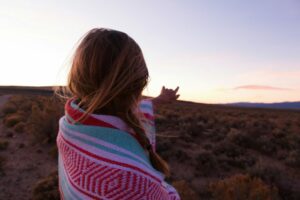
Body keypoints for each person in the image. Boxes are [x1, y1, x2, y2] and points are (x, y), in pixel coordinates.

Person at [56, 28, 181, 200]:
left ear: (77, 76)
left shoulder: (70, 124)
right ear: (140, 84)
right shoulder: (133, 185)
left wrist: (158, 100)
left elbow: (118, 105)